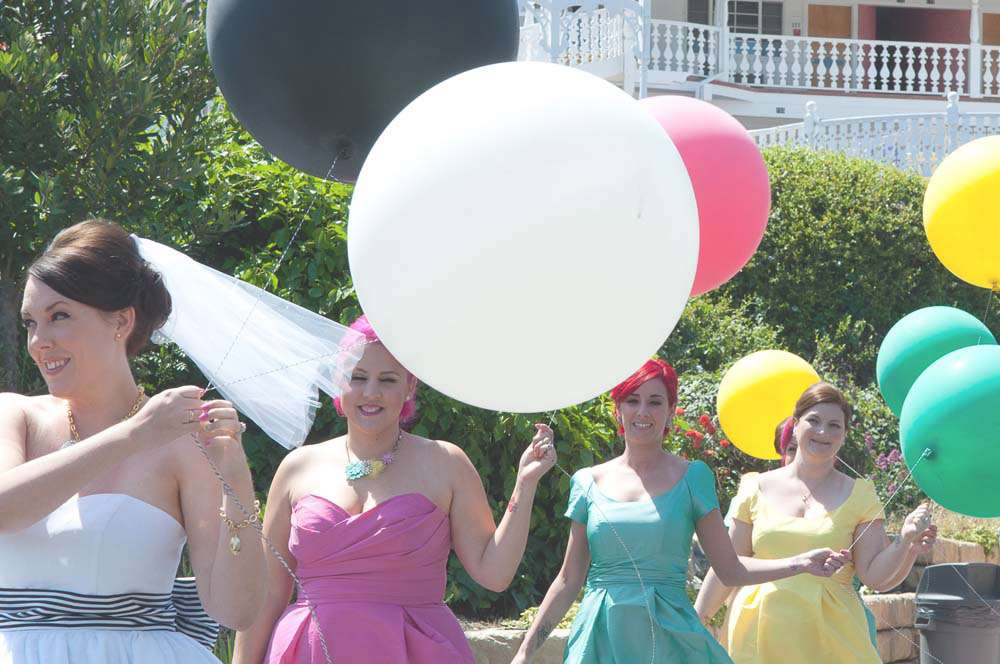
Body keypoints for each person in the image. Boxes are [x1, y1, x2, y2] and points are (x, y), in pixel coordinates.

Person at [0, 219, 266, 663]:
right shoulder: (14, 415)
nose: (38, 343)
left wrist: (236, 481)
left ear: (121, 321)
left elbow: (235, 610)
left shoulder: (183, 444)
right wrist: (134, 434)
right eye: (31, 322)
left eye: (59, 316)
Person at [233, 315, 558, 664]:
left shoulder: (445, 462)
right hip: (309, 651)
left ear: (409, 387)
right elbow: (268, 594)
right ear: (338, 381)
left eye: (387, 380)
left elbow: (494, 573)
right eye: (358, 377)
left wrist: (524, 485)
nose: (370, 392)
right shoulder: (297, 467)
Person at [512, 359, 849, 664]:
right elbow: (568, 579)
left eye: (655, 402)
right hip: (599, 640)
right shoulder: (586, 481)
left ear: (671, 410)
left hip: (671, 641)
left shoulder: (694, 477)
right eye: (632, 400)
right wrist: (525, 653)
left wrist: (800, 562)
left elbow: (730, 569)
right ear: (618, 410)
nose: (643, 411)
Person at [694, 382, 937, 663]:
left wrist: (905, 542)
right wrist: (697, 619)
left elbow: (874, 577)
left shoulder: (861, 494)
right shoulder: (753, 486)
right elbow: (728, 566)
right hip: (756, 635)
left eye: (835, 425)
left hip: (832, 638)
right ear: (795, 425)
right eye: (814, 420)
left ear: (844, 435)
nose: (823, 432)